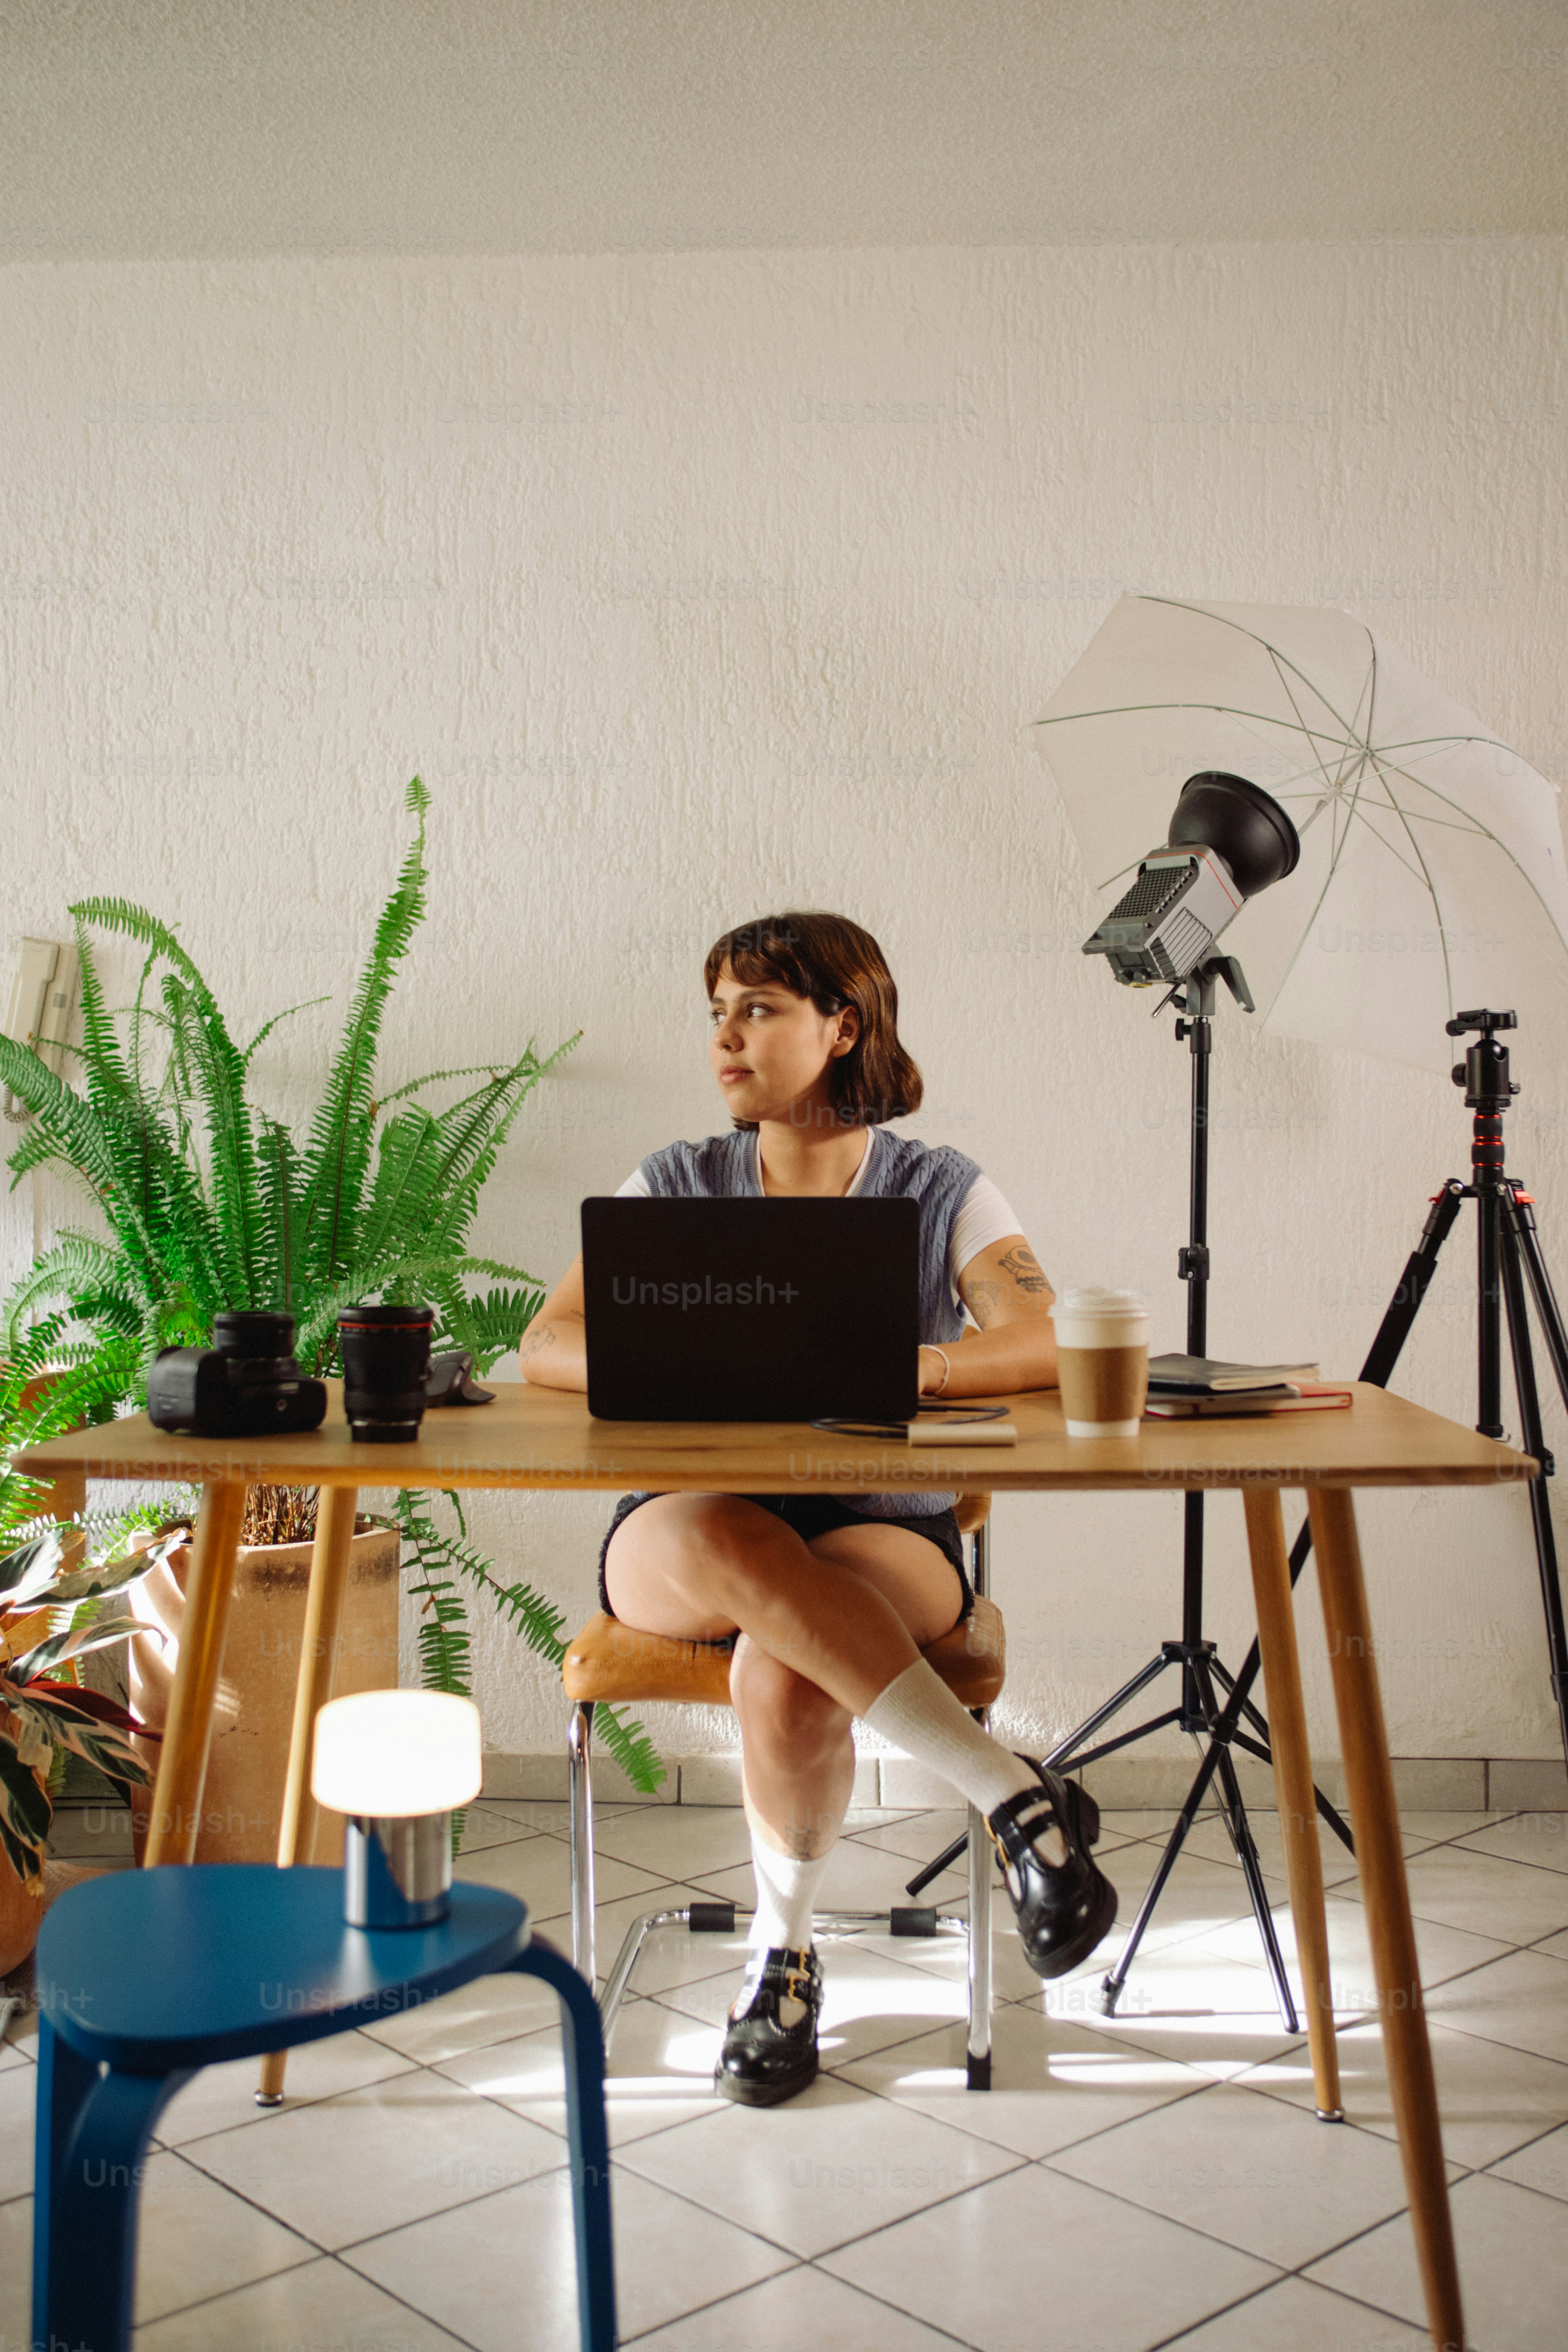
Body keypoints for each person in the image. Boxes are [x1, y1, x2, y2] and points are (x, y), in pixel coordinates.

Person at [521, 910, 1116, 2105]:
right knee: (738, 1538)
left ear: (843, 1027)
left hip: (883, 1529)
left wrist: (920, 1366)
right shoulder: (678, 1181)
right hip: (688, 1531)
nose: (725, 1039)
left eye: (759, 1010)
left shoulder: (938, 1185)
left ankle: (779, 1968)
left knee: (787, 1667)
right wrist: (688, 1367)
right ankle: (1010, 1793)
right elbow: (544, 1344)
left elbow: (1046, 1336)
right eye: (718, 1013)